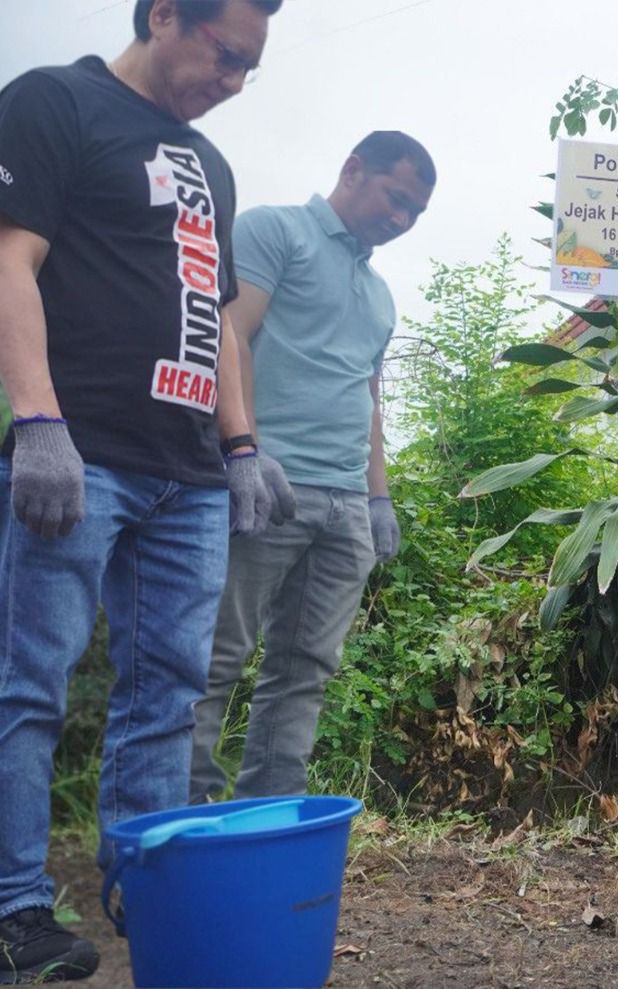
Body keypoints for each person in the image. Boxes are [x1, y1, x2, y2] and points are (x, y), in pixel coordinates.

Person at [0, 0, 286, 980]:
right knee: (29, 684)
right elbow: (10, 260)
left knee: (166, 692)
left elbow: (216, 314)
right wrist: (37, 422)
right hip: (81, 456)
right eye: (227, 56)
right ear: (166, 13)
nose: (235, 83)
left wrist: (241, 446)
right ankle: (14, 908)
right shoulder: (53, 103)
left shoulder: (211, 166)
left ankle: (142, 882)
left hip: (187, 476)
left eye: (252, 68)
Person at [189, 132, 435, 803]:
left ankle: (268, 821)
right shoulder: (276, 232)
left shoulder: (381, 293)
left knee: (305, 669)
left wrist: (376, 497)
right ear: (354, 169)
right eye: (396, 198)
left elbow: (370, 395)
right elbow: (227, 332)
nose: (402, 219)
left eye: (415, 211)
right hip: (266, 486)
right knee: (214, 659)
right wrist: (244, 448)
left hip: (344, 505)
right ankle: (183, 826)